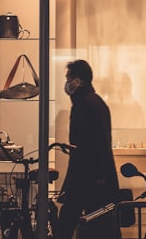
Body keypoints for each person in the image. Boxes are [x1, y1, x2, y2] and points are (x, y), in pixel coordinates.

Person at [55, 60, 118, 239]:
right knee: (99, 223)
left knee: (68, 219)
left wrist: (97, 175)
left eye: (68, 77)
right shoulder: (95, 102)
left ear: (78, 81)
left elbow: (91, 143)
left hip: (86, 174)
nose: (66, 82)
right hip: (95, 174)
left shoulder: (84, 105)